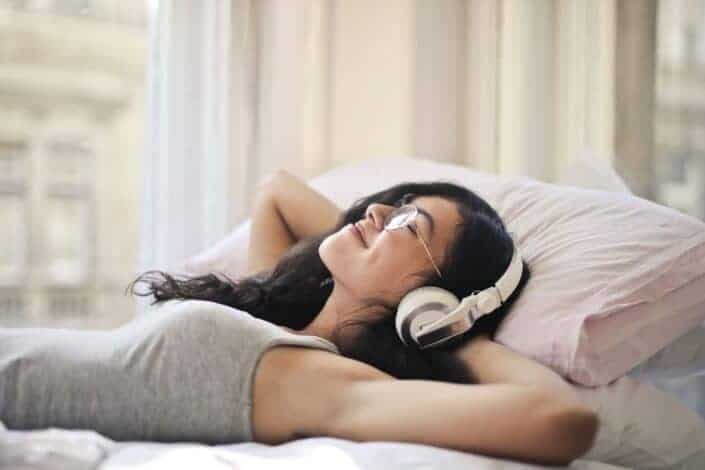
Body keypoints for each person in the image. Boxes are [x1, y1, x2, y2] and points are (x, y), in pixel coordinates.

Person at [121, 169, 599, 465]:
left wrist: (450, 324)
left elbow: (565, 418)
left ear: (433, 300)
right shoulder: (267, 304)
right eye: (397, 206)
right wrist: (377, 237)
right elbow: (277, 191)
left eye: (409, 224)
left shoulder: (333, 385)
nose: (375, 210)